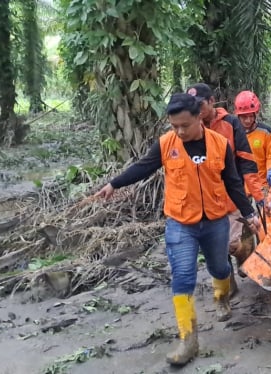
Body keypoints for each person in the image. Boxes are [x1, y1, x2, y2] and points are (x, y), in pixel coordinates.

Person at [94, 93, 261, 365]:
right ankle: (188, 340)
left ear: (199, 118)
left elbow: (232, 182)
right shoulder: (165, 144)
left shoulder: (220, 145)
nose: (179, 131)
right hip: (181, 222)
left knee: (219, 268)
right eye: (174, 126)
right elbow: (142, 168)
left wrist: (249, 213)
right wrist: (114, 184)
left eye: (185, 125)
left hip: (215, 220)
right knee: (182, 277)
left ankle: (222, 297)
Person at [186, 83, 264, 287]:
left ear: (211, 102)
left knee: (232, 244)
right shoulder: (188, 127)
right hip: (204, 200)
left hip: (233, 195)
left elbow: (247, 161)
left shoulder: (230, 124)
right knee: (214, 247)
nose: (196, 110)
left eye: (200, 105)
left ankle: (245, 252)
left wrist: (258, 196)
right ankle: (225, 291)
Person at [234, 90, 271, 188]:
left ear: (256, 114)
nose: (248, 120)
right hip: (239, 186)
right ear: (238, 116)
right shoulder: (232, 132)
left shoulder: (266, 132)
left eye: (251, 116)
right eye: (244, 117)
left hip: (262, 184)